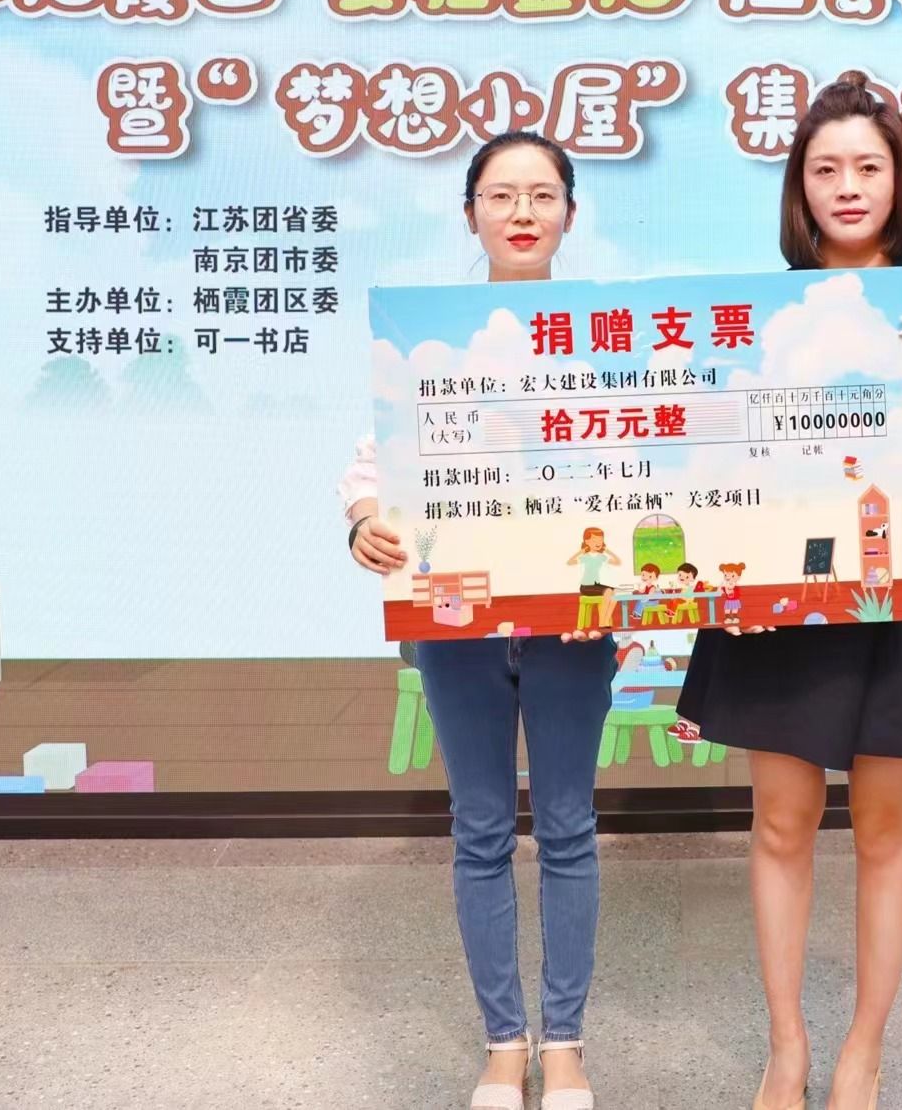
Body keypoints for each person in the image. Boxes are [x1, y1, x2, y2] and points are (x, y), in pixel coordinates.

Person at [676, 72, 902, 1110]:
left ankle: (864, 1048)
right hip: (778, 595)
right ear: (801, 187)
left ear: (900, 179)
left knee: (884, 829)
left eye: (869, 166)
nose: (849, 186)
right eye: (827, 169)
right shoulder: (756, 311)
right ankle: (787, 1047)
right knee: (780, 824)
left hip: (893, 597)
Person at [341, 131, 613, 1110]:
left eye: (542, 194)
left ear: (570, 214)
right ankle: (505, 1045)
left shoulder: (609, 338)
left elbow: (646, 472)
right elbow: (374, 465)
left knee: (570, 827)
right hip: (455, 623)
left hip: (573, 625)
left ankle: (566, 1045)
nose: (522, 212)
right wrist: (365, 521)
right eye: (501, 195)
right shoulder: (427, 339)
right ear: (470, 215)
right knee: (482, 829)